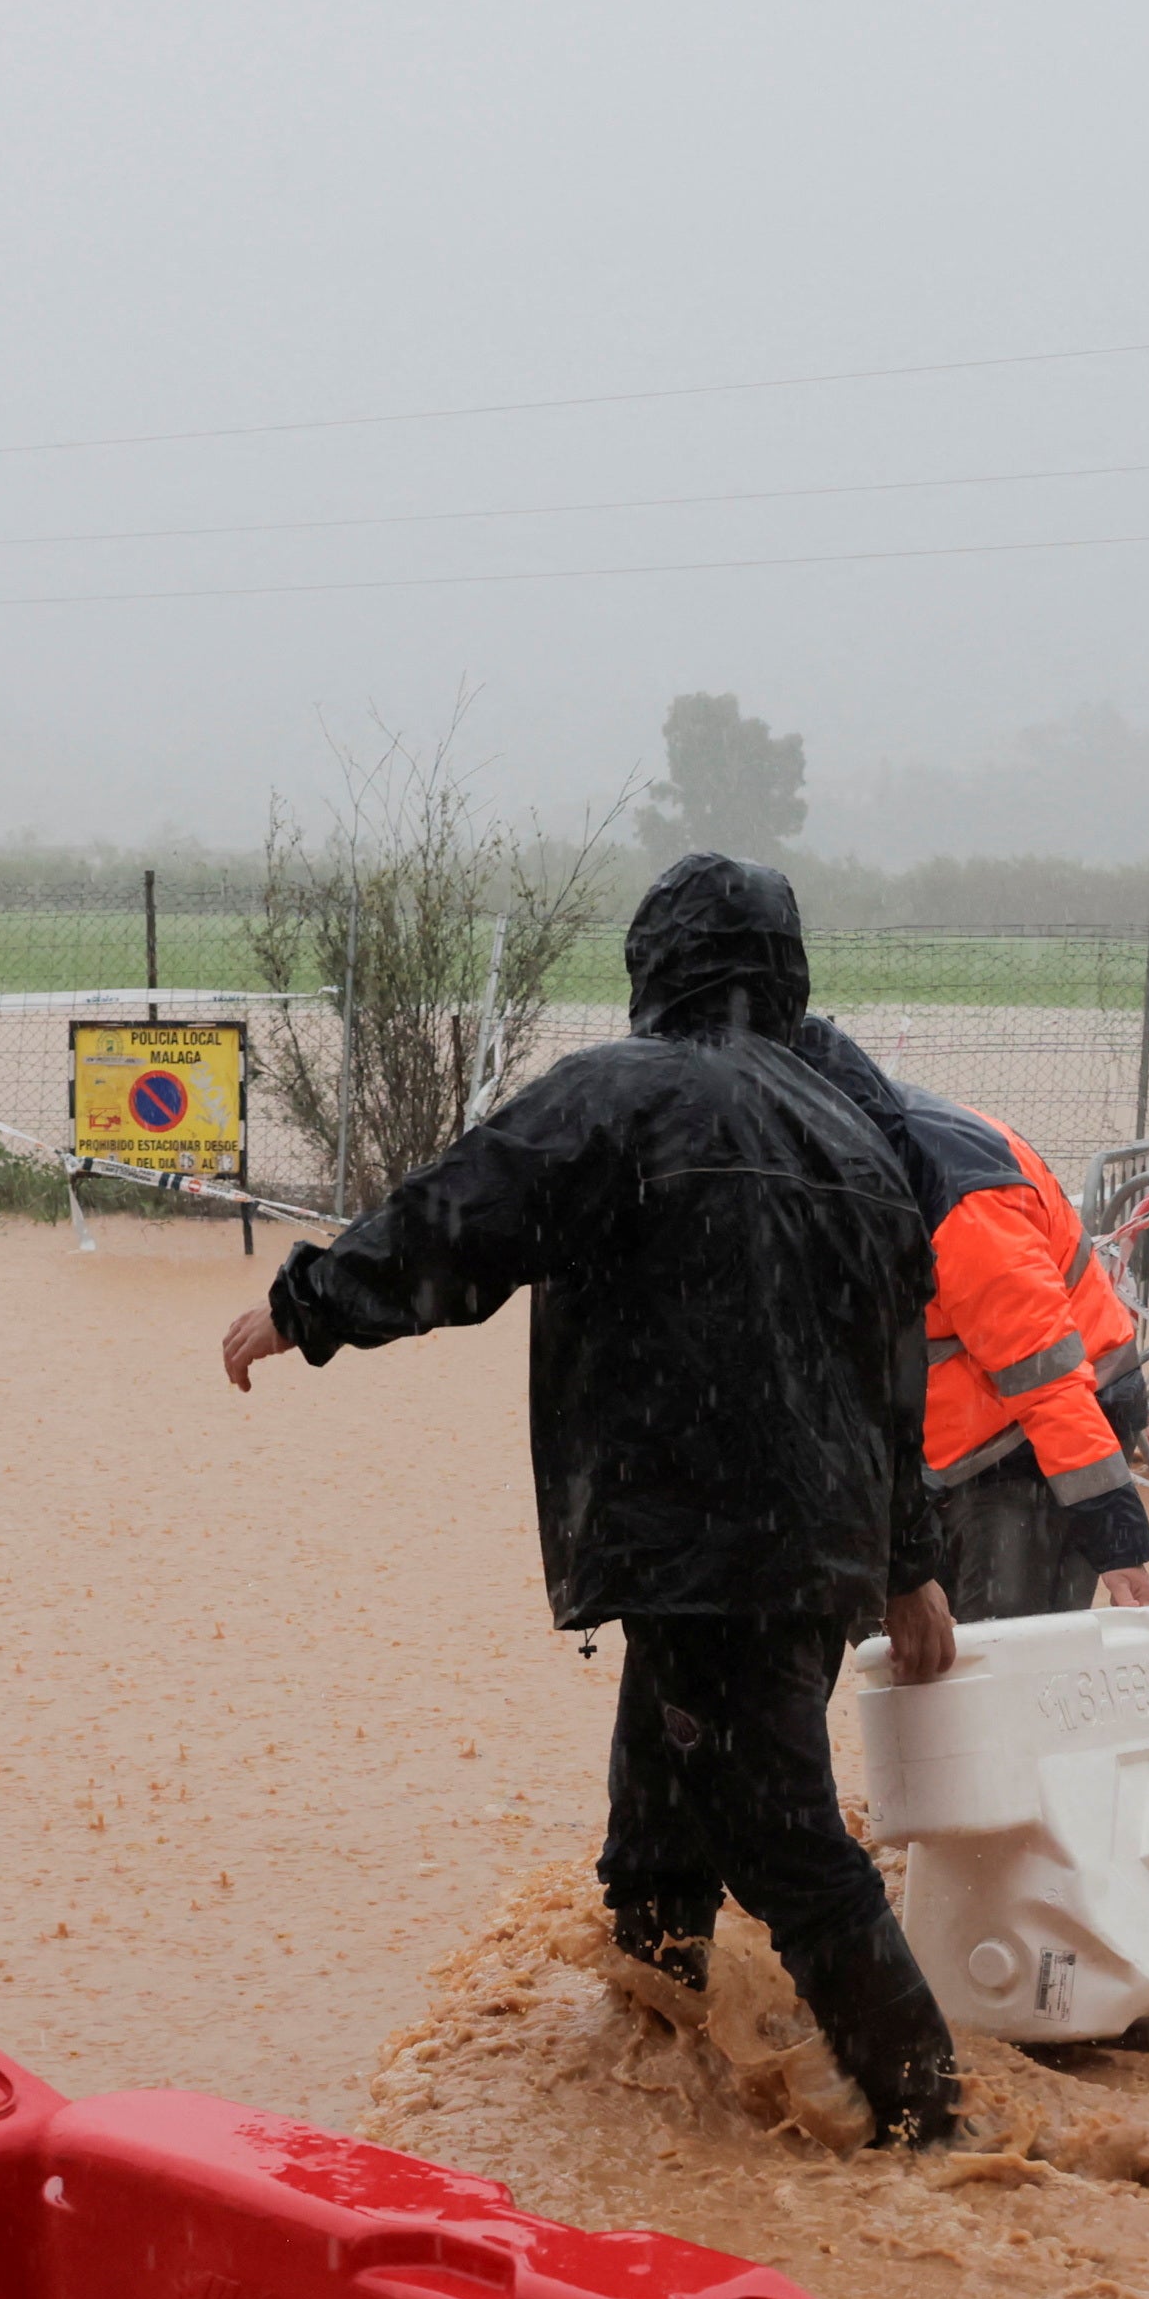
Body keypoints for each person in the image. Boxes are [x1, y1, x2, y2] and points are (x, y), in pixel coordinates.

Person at [221, 852, 964, 2148]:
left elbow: (459, 1222)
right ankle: (663, 2064)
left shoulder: (619, 1097)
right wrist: (909, 1562)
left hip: (698, 1539)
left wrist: (308, 1306)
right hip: (811, 1554)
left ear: (652, 966)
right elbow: (897, 1380)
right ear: (786, 974)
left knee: (782, 1838)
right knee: (662, 1813)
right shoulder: (860, 1138)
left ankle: (938, 2133)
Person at [794, 1028, 1149, 1626]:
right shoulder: (844, 1158)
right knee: (920, 1655)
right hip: (947, 1443)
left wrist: (1115, 1540)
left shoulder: (963, 1209)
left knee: (1004, 1656)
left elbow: (1049, 1380)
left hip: (1037, 1441)